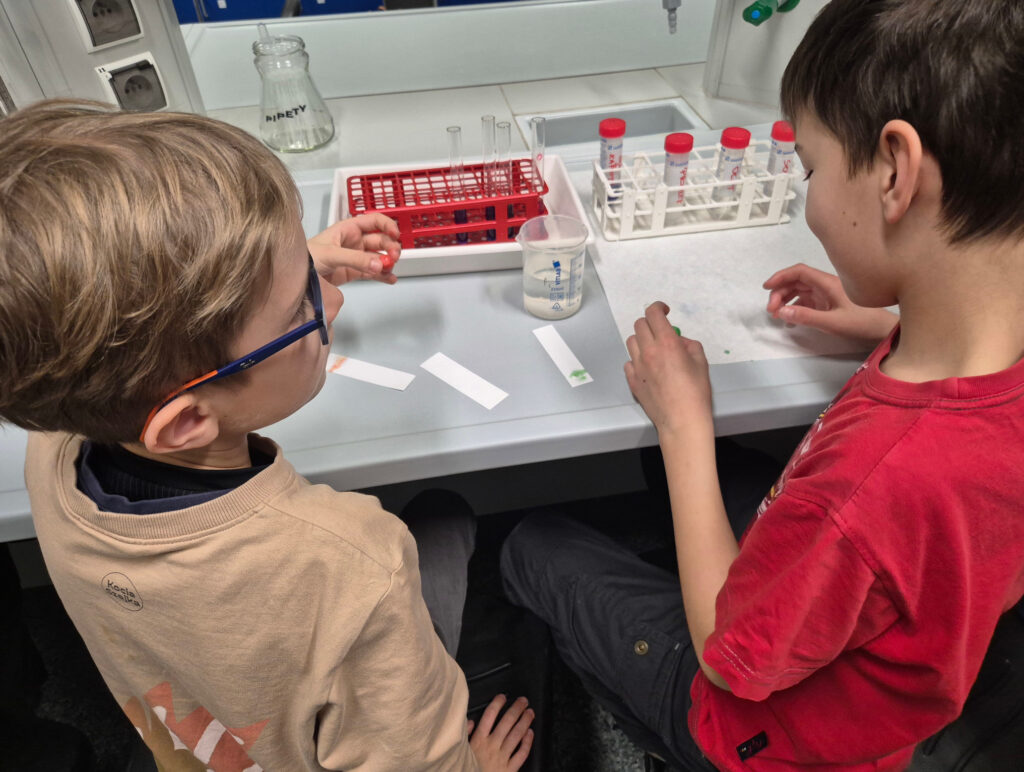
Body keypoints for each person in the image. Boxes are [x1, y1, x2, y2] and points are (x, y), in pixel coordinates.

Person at [500, 0, 1024, 769]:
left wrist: (684, 424)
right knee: (720, 476)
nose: (808, 193)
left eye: (810, 167)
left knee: (531, 544)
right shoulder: (982, 367)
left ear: (894, 172)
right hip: (877, 696)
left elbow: (725, 653)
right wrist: (886, 320)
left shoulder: (871, 485)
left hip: (753, 734)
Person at [0, 99, 533, 771]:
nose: (333, 300)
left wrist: (280, 270)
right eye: (300, 307)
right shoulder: (354, 563)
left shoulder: (54, 443)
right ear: (188, 421)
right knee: (447, 516)